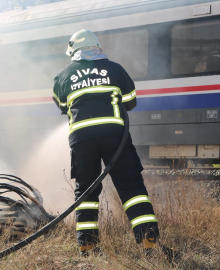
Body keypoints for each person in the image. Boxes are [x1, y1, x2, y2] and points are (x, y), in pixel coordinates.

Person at [52, 29, 173, 259]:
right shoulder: (115, 69)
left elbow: (62, 106)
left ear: (74, 51)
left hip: (81, 139)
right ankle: (148, 239)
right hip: (115, 137)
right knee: (131, 187)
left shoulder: (64, 75)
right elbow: (130, 102)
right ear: (97, 48)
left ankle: (87, 246)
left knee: (86, 191)